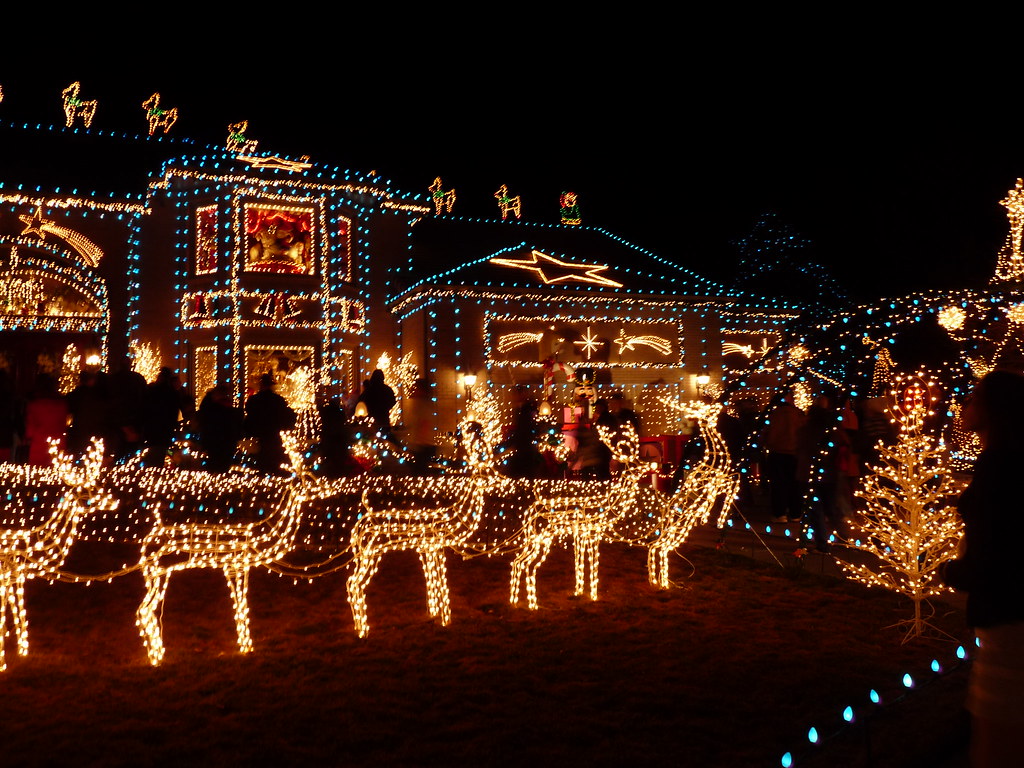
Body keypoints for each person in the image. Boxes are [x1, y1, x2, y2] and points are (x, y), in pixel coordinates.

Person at [941, 370, 1024, 767]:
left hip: (1008, 621)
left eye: (974, 397)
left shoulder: (998, 466)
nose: (966, 404)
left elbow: (996, 556)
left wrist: (948, 571)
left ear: (995, 410)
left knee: (996, 743)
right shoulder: (1009, 461)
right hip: (1010, 615)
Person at [762, 392, 808, 523]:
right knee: (795, 484)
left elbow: (765, 433)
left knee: (778, 485)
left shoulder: (773, 415)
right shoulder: (799, 414)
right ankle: (795, 513)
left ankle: (780, 513)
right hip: (795, 453)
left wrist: (765, 443)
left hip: (777, 452)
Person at [244, 374, 296, 475]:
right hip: (273, 429)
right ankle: (273, 468)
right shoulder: (278, 399)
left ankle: (264, 468)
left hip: (260, 429)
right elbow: (284, 413)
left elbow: (250, 412)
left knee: (263, 448)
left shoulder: (254, 399)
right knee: (274, 448)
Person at [23, 373, 68, 466]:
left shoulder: (34, 405)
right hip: (57, 443)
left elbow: (30, 429)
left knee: (38, 471)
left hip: (39, 444)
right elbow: (63, 424)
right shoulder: (61, 405)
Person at [197, 384, 243, 473]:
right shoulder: (232, 411)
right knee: (223, 467)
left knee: (214, 467)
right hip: (227, 443)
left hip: (215, 442)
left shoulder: (211, 410)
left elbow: (206, 424)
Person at [356, 369, 396, 438]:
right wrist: (385, 408)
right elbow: (393, 401)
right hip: (383, 417)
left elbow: (361, 400)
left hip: (371, 417)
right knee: (384, 437)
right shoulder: (387, 389)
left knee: (371, 437)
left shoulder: (369, 390)